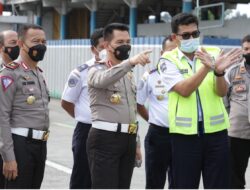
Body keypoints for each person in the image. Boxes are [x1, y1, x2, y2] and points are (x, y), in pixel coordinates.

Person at [158, 13, 242, 189]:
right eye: (186, 35)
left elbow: (221, 92)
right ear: (175, 37)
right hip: (184, 136)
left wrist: (218, 72)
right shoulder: (167, 60)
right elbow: (184, 90)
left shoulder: (213, 53)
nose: (192, 38)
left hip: (217, 134)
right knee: (184, 184)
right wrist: (207, 67)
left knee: (219, 184)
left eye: (195, 34)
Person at [87, 23, 151, 189]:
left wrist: (136, 143)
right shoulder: (96, 69)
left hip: (127, 139)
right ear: (107, 45)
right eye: (120, 42)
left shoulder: (127, 74)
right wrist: (130, 62)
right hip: (105, 138)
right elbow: (102, 81)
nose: (125, 46)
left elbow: (131, 110)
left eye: (128, 41)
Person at [0, 24, 49, 189]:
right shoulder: (10, 73)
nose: (40, 45)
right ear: (21, 44)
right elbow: (2, 116)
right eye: (35, 41)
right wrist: (8, 157)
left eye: (43, 41)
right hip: (20, 145)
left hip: (40, 144)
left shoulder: (38, 74)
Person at [61, 28, 105, 189]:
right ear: (93, 49)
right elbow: (66, 102)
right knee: (83, 178)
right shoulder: (81, 72)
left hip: (111, 133)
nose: (107, 51)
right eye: (103, 47)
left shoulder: (121, 72)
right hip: (87, 130)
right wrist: (84, 116)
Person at [137, 35, 176, 189]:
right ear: (161, 53)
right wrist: (152, 119)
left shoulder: (188, 76)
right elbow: (138, 103)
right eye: (170, 52)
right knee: (155, 181)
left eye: (177, 52)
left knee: (180, 181)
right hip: (158, 135)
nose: (174, 55)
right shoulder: (150, 76)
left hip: (183, 135)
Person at [225, 34, 250, 189]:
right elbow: (224, 101)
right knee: (235, 176)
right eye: (246, 49)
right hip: (237, 133)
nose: (249, 52)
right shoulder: (233, 72)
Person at [0, 30, 20, 189]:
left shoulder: (24, 71)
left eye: (18, 42)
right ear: (1, 47)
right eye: (13, 43)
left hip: (15, 142)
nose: (17, 46)